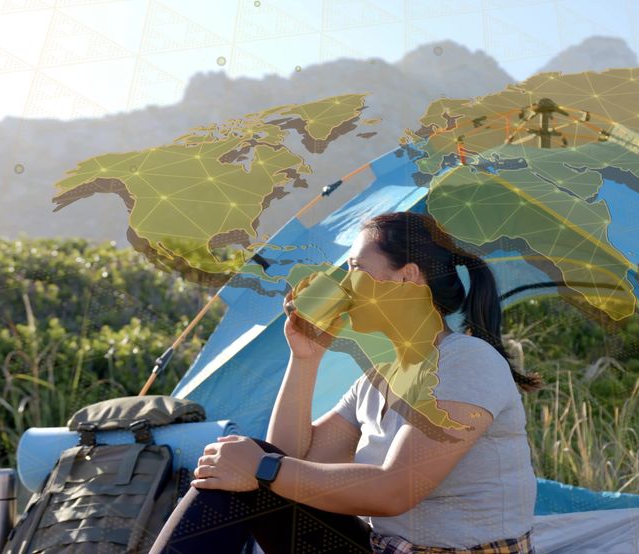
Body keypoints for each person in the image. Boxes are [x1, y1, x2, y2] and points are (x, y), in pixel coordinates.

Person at [150, 211, 544, 554]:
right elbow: (291, 458)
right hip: (383, 548)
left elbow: (396, 491)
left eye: (356, 268)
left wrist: (262, 466)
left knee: (255, 464)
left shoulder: (466, 361)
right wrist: (305, 358)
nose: (344, 282)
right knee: (241, 466)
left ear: (406, 277)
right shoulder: (378, 380)